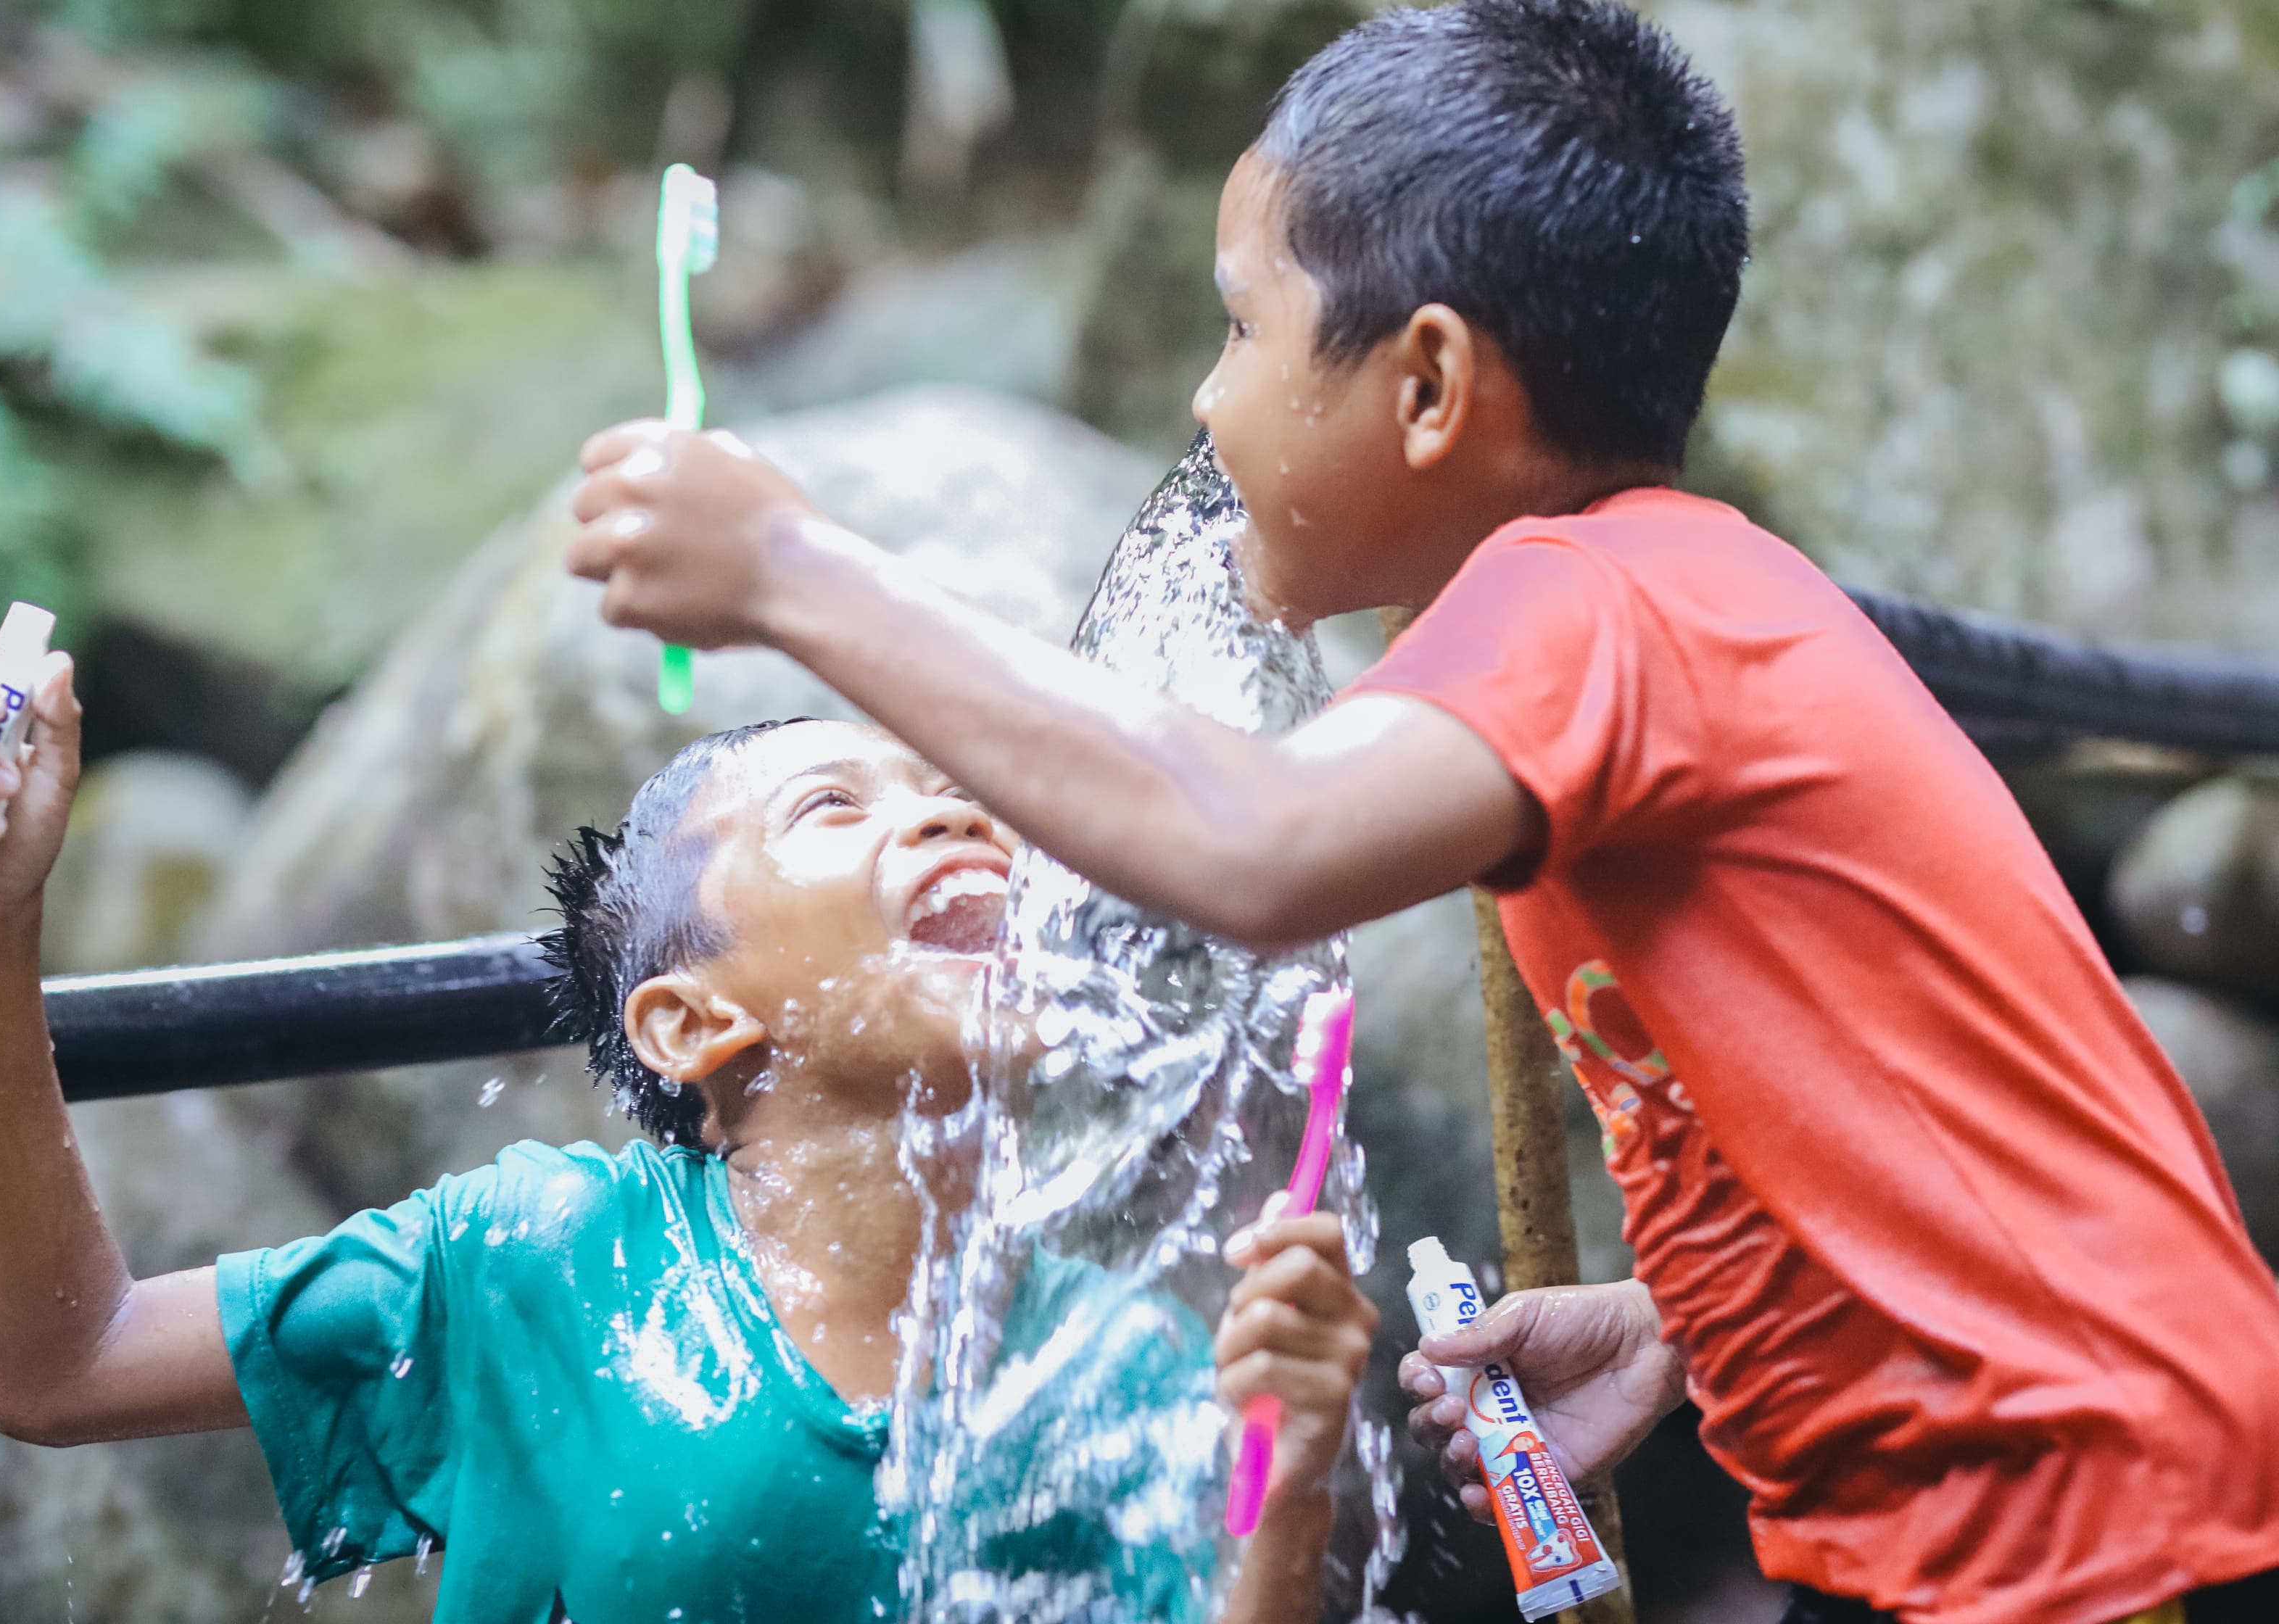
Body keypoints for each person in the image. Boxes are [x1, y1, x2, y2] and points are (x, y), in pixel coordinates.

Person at [552, 3, 2279, 1622]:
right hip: (2024, 1485)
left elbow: (1255, 843)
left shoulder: (1590, 605)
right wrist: (1685, 1327)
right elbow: (1904, 1080)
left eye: (1243, 328)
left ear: (1432, 387)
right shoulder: (1653, 613)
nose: (1210, 403)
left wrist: (795, 570)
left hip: (2086, 1509)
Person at [0, 656, 1379, 1622]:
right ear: (691, 1023)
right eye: (836, 808)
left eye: (968, 803)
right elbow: (64, 1363)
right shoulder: (540, 1263)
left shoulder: (1125, 1369)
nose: (957, 824)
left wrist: (1292, 1484)